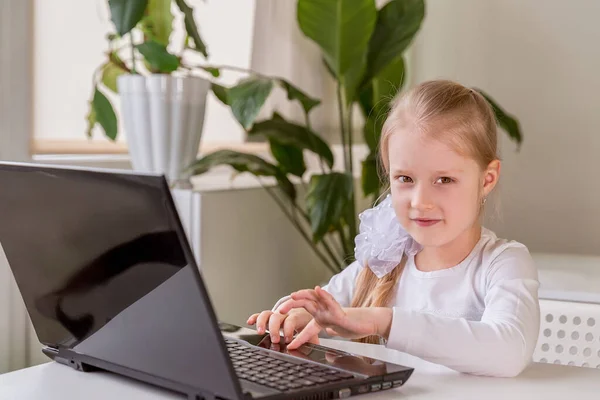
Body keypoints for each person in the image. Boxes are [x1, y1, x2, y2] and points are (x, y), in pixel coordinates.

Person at [247, 80, 540, 377]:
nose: (420, 201)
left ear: (487, 179)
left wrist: (383, 321)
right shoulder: (386, 257)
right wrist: (294, 316)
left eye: (444, 180)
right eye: (405, 179)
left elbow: (508, 352)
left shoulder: (503, 263)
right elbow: (323, 306)